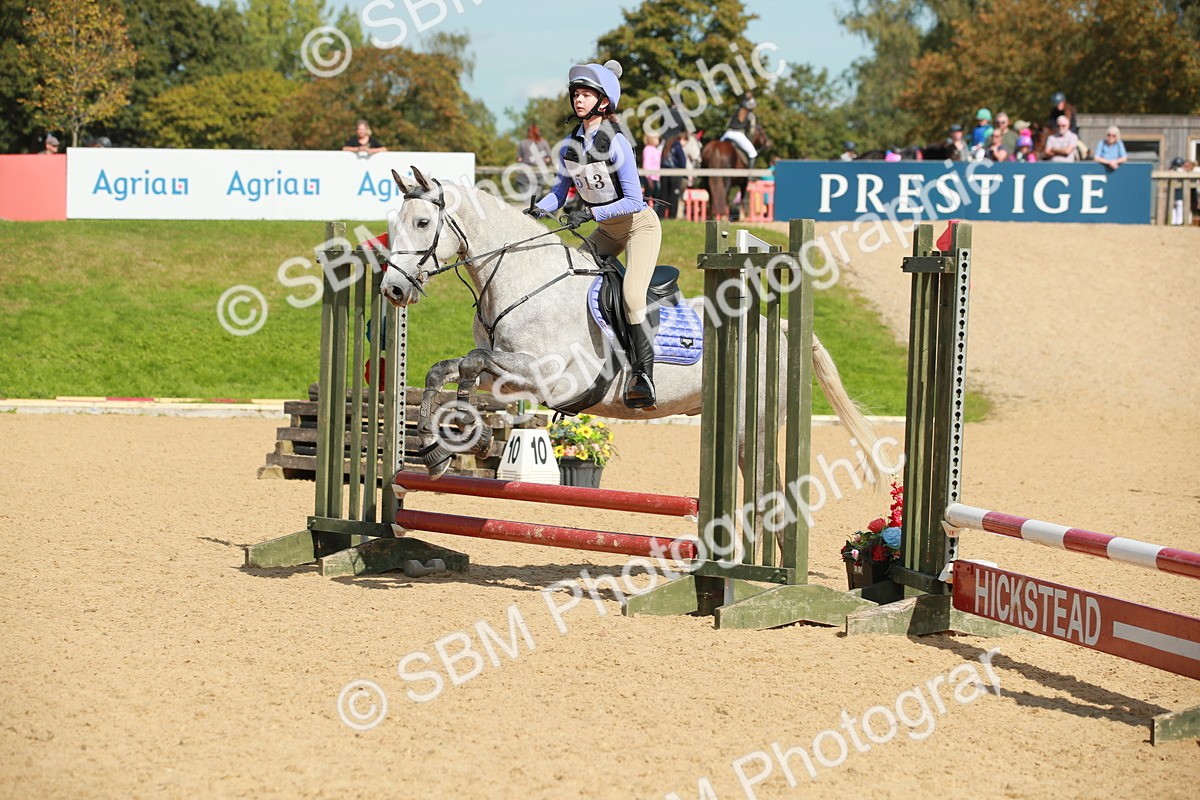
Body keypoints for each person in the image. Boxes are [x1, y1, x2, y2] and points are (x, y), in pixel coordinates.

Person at [528, 60, 662, 409]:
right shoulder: (570, 146)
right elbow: (558, 194)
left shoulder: (617, 142)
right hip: (606, 230)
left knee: (633, 295)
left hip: (639, 228)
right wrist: (536, 210)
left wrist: (590, 212)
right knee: (569, 277)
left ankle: (642, 376)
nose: (579, 99)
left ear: (603, 102)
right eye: (576, 94)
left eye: (587, 94)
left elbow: (633, 201)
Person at [720, 93, 759, 168]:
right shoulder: (751, 115)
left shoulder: (735, 112)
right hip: (739, 135)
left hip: (727, 133)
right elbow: (751, 131)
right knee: (753, 153)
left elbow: (727, 124)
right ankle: (750, 175)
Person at [516, 124, 552, 194]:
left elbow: (519, 159)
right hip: (539, 174)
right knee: (536, 198)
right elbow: (548, 159)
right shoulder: (544, 143)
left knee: (527, 199)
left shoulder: (523, 143)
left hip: (525, 174)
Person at [641, 132, 661, 203]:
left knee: (656, 200)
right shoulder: (648, 149)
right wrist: (649, 179)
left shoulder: (655, 149)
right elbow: (646, 165)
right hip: (650, 179)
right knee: (648, 199)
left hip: (656, 178)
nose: (658, 139)